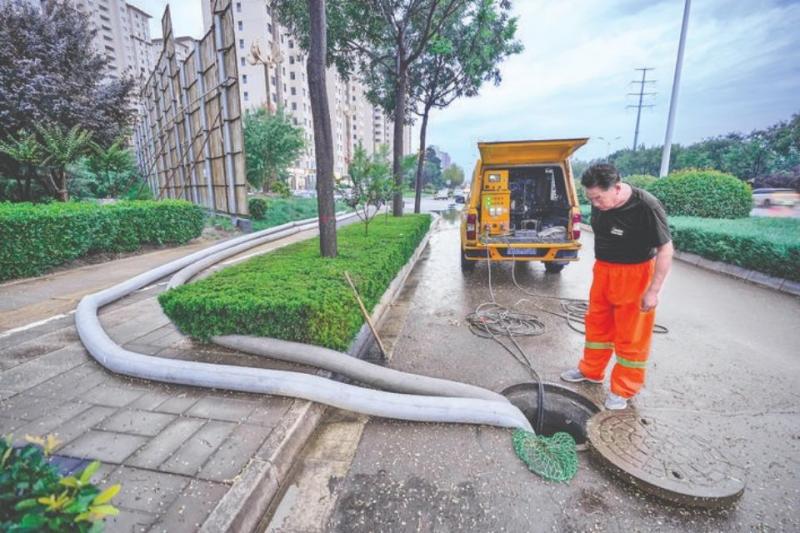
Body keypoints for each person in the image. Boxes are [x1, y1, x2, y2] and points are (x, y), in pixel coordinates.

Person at [561, 164, 673, 410]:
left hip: (636, 275)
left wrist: (653, 291)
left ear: (617, 188)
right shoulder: (601, 202)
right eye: (591, 198)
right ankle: (591, 371)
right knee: (597, 324)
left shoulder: (646, 206)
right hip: (603, 272)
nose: (595, 204)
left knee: (631, 335)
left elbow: (666, 249)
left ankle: (623, 389)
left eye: (599, 198)